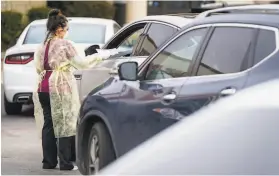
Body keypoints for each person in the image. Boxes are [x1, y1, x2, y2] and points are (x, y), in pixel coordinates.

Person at [32, 9, 118, 170]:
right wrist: (101, 56)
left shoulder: (42, 46)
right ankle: (65, 163)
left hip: (43, 87)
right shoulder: (65, 44)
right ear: (59, 29)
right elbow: (82, 64)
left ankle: (48, 162)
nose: (67, 32)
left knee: (49, 124)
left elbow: (38, 67)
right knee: (65, 124)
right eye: (66, 29)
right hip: (60, 87)